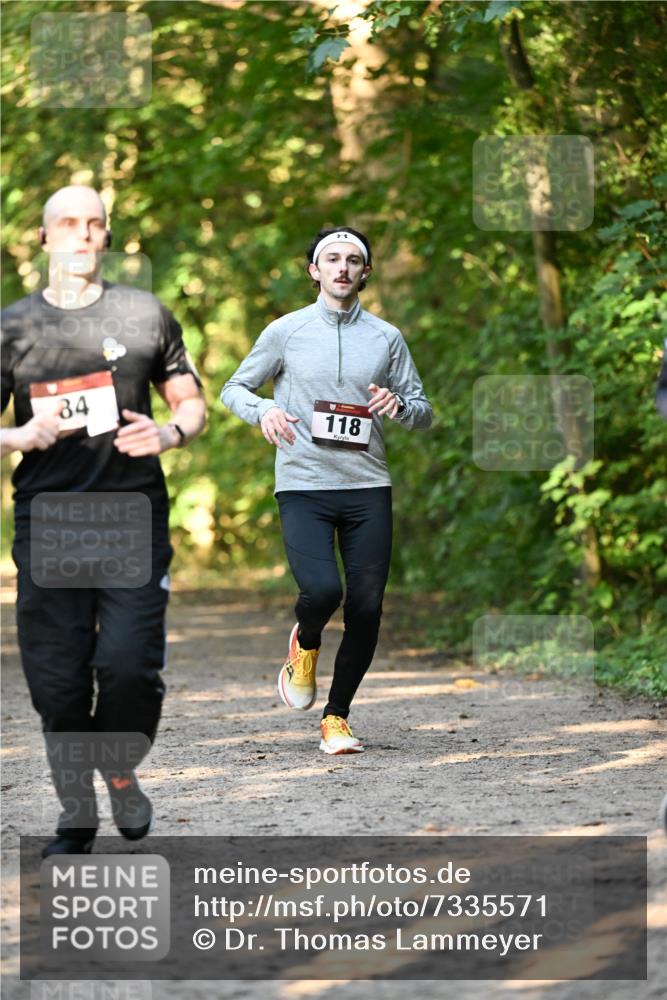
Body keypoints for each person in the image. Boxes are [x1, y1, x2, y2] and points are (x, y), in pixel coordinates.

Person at [1, 184, 206, 855]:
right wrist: (18, 436)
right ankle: (76, 811)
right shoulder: (13, 328)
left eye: (94, 223)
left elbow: (190, 401)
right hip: (48, 521)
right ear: (44, 237)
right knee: (58, 684)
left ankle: (120, 769)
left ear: (106, 236)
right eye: (67, 222)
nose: (81, 234)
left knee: (125, 668)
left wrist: (172, 433)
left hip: (131, 517)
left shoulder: (144, 313)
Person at [221, 227, 432, 755]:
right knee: (322, 592)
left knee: (366, 606)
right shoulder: (286, 332)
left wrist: (400, 407)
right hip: (304, 485)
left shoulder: (386, 337)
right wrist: (264, 408)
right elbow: (234, 388)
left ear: (366, 272)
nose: (342, 267)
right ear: (314, 271)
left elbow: (423, 410)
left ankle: (336, 717)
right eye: (331, 259)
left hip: (368, 486)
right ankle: (305, 643)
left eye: (353, 260)